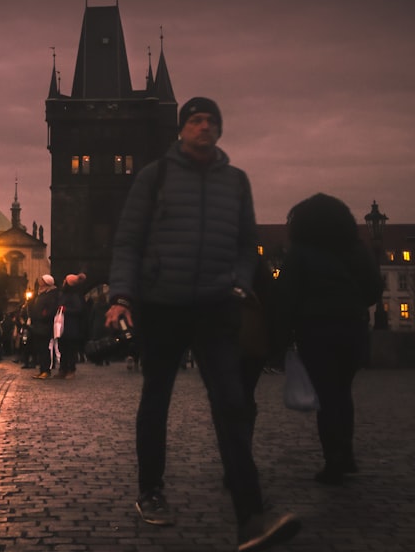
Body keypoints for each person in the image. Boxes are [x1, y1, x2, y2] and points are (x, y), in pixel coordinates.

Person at [105, 97, 300, 551]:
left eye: (212, 121)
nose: (205, 127)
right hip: (162, 304)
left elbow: (246, 242)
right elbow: (128, 241)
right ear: (181, 129)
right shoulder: (155, 176)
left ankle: (251, 516)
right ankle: (150, 491)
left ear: (220, 129)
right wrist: (121, 295)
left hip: (215, 305)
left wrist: (237, 282)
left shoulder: (235, 181)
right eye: (196, 120)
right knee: (156, 398)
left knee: (232, 403)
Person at [275, 193, 384, 485]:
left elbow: (285, 296)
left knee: (327, 393)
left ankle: (334, 459)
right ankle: (344, 452)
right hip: (352, 328)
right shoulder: (356, 249)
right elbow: (374, 288)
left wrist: (280, 337)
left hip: (316, 331)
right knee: (342, 390)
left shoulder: (300, 251)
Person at [55, 273, 95, 378]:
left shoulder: (75, 296)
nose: (63, 282)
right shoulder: (63, 294)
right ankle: (63, 369)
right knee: (62, 348)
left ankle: (71, 370)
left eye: (65, 281)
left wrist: (66, 310)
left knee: (71, 350)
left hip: (71, 326)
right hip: (62, 326)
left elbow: (79, 310)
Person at [30, 274, 59, 379]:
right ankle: (42, 370)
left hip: (45, 325)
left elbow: (50, 310)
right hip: (38, 324)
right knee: (39, 348)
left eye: (42, 281)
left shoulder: (51, 294)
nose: (40, 282)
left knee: (44, 348)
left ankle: (46, 370)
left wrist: (43, 316)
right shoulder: (41, 294)